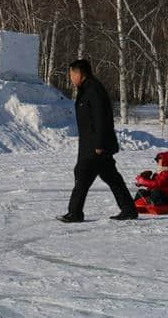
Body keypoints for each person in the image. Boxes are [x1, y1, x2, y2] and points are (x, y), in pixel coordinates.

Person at [57, 59, 138, 223]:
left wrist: (100, 144)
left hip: (96, 146)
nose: (71, 78)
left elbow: (101, 118)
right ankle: (129, 209)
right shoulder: (87, 89)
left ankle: (75, 212)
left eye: (71, 75)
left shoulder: (93, 90)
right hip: (92, 144)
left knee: (83, 175)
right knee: (111, 177)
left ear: (79, 73)